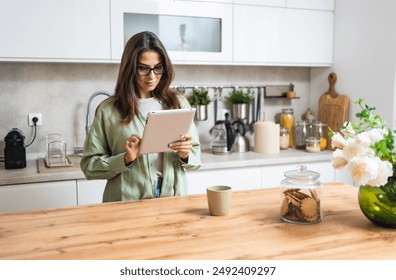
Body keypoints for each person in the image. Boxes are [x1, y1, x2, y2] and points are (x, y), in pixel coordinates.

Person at [80, 31, 201, 202]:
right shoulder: (108, 110)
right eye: (143, 68)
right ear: (130, 68)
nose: (152, 76)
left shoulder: (178, 103)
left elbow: (196, 158)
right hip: (126, 203)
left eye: (158, 68)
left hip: (173, 200)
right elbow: (89, 166)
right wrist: (126, 159)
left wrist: (185, 153)